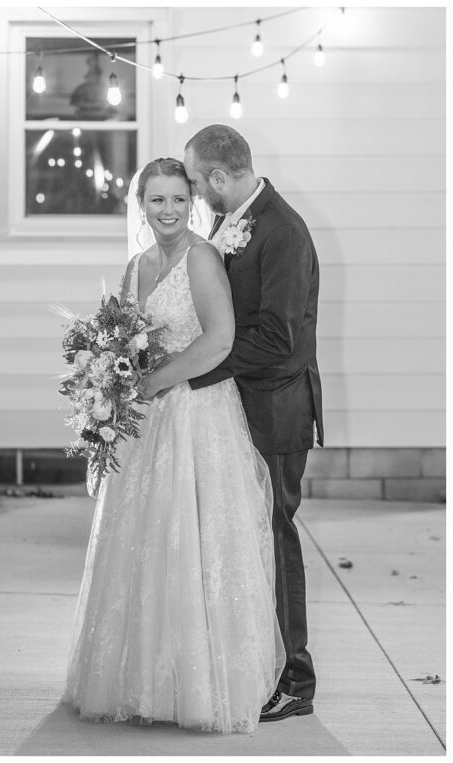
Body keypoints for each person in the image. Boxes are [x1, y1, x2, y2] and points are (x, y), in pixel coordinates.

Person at [62, 157, 285, 734]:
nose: (169, 211)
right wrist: (109, 380)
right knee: (145, 541)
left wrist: (152, 383)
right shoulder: (136, 266)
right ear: (142, 205)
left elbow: (219, 341)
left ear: (192, 202)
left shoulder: (203, 258)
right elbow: (124, 338)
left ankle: (199, 685)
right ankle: (143, 680)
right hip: (147, 423)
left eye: (178, 200)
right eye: (157, 201)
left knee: (195, 541)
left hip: (196, 415)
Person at [184, 124, 324, 722]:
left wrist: (198, 369)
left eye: (194, 182)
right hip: (240, 408)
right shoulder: (232, 220)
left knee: (276, 536)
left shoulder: (283, 231)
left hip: (277, 410)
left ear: (219, 177)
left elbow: (279, 337)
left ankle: (296, 680)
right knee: (245, 541)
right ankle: (253, 664)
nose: (192, 194)